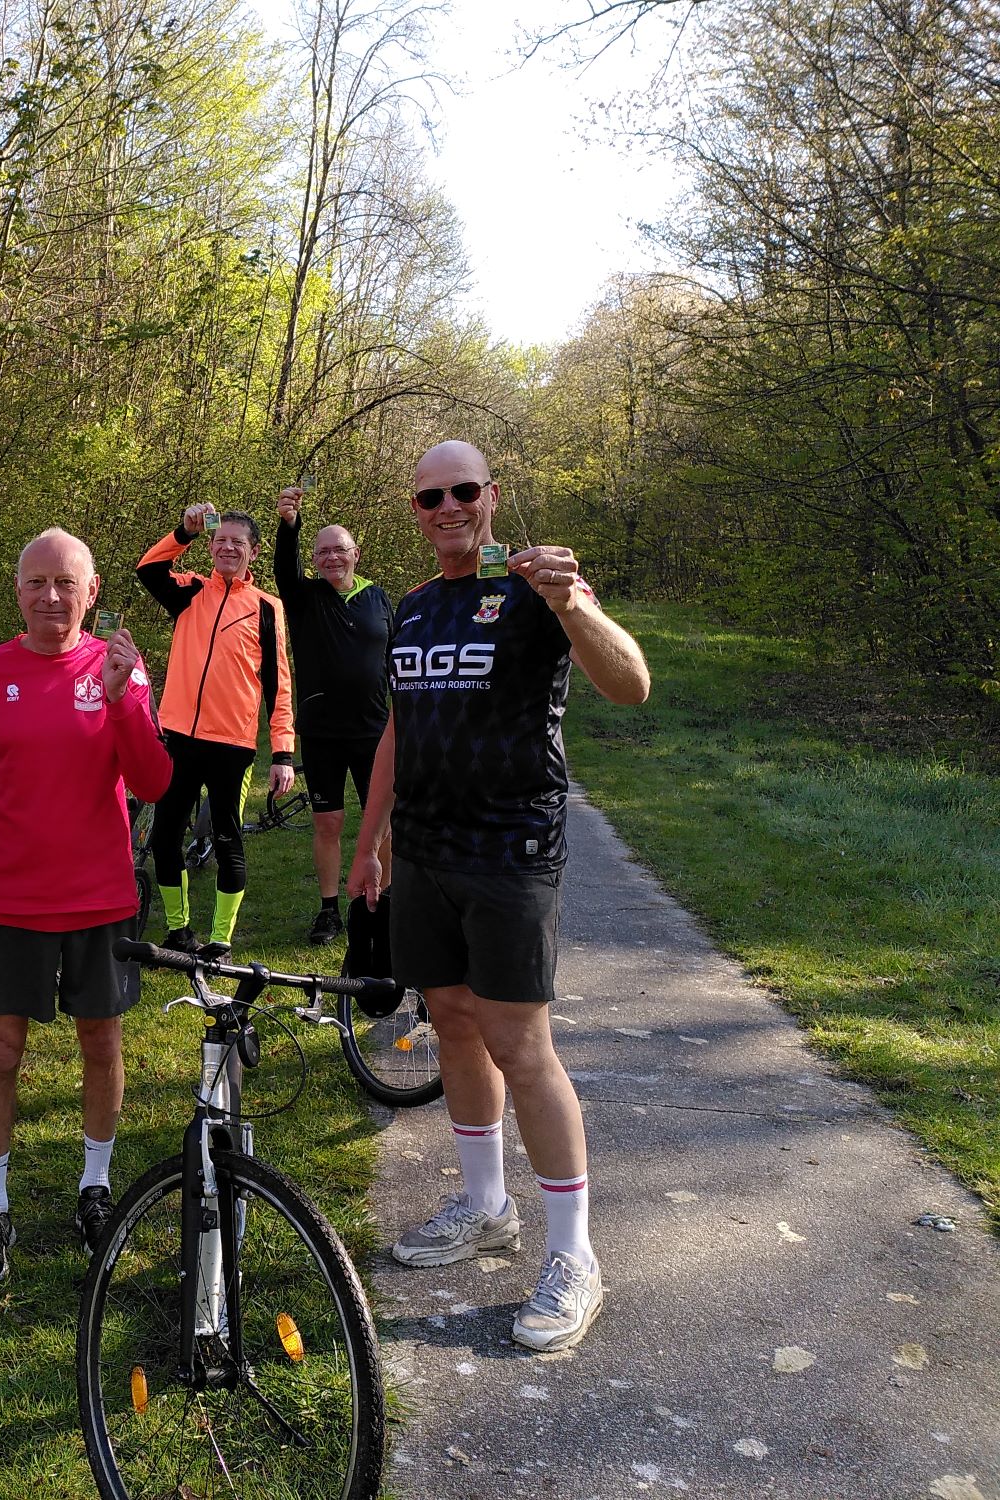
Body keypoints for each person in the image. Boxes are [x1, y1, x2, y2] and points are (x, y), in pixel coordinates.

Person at [346, 440, 650, 1353]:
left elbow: (631, 684)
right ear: (416, 508)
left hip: (513, 849)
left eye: (464, 491)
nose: (448, 506)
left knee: (521, 1041)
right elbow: (400, 725)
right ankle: (485, 1205)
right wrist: (370, 843)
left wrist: (569, 602)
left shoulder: (538, 587)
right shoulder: (411, 607)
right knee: (451, 1020)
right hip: (427, 854)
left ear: (491, 497)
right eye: (430, 495)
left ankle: (574, 1257)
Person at [0, 529, 173, 1281]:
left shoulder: (122, 669)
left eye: (65, 583)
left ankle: (95, 1187)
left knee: (100, 1047)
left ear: (93, 590)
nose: (51, 596)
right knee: (0, 1053)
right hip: (9, 903)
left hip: (100, 900)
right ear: (17, 590)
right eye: (36, 581)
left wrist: (121, 703)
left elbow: (152, 783)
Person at [135, 502, 296, 959]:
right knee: (166, 837)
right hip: (179, 738)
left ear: (254, 552)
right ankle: (178, 930)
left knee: (228, 839)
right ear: (210, 546)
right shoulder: (190, 591)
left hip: (233, 745)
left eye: (237, 543)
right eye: (220, 540)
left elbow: (279, 685)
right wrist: (181, 533)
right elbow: (148, 569)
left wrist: (282, 753)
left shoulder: (268, 607)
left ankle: (221, 939)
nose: (227, 548)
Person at [272, 488, 392, 945]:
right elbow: (286, 569)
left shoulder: (378, 599)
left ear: (355, 554)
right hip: (322, 733)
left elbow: (397, 661)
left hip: (374, 732)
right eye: (321, 552)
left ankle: (382, 902)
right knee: (329, 823)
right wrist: (289, 525)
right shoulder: (305, 598)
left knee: (382, 821)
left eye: (338, 550)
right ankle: (329, 910)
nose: (330, 558)